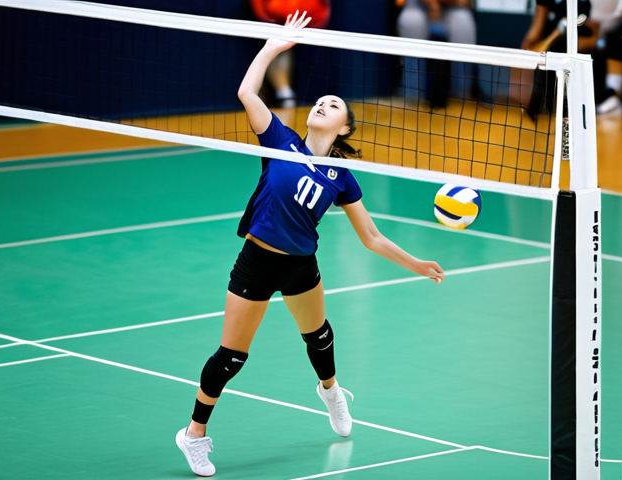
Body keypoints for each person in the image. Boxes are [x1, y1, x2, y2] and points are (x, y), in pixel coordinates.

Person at [175, 11, 446, 477]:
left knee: (318, 338)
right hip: (257, 262)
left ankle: (331, 392)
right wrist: (273, 47)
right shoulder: (279, 139)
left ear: (343, 128)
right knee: (231, 357)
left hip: (302, 265)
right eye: (320, 100)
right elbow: (246, 93)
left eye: (333, 104)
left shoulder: (341, 176)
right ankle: (193, 435)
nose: (323, 104)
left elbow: (371, 236)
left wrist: (415, 263)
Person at [521, 0, 600, 119]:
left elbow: (593, 34)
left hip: (572, 47)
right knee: (547, 62)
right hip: (552, 50)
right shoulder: (547, 6)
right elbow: (538, 24)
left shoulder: (583, 5)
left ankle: (576, 108)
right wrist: (530, 44)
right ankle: (537, 108)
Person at [250, 0, 331, 108]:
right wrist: (264, 17)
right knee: (274, 52)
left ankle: (286, 94)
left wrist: (320, 19)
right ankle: (283, 94)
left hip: (308, 21)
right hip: (275, 19)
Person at [396, 0, 477, 107]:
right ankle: (413, 95)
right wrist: (432, 4)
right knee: (412, 20)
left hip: (454, 8)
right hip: (417, 6)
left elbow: (466, 2)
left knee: (463, 22)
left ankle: (461, 95)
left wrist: (439, 5)